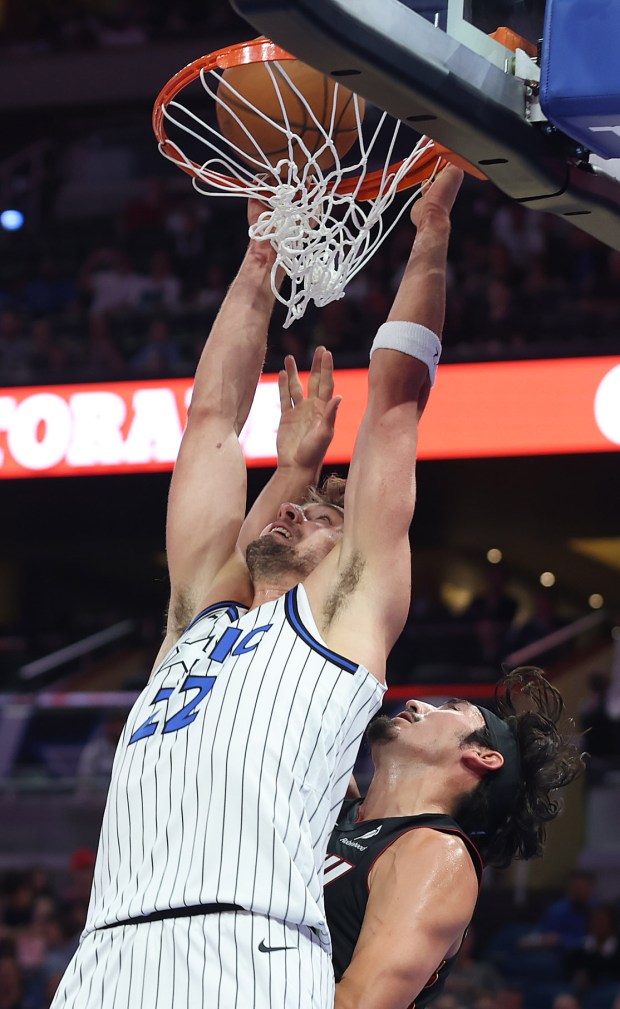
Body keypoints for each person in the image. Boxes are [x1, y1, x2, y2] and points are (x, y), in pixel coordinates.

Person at [50, 165, 464, 1009]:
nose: (294, 514)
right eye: (297, 506)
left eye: (317, 516)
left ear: (352, 557)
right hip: (101, 960)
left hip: (247, 951)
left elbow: (393, 409)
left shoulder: (348, 621)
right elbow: (211, 419)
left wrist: (429, 240)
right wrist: (258, 258)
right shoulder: (194, 616)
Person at [324, 668, 584, 1009]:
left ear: (483, 756)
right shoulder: (337, 804)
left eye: (451, 708)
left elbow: (358, 1005)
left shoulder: (436, 853)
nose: (417, 704)